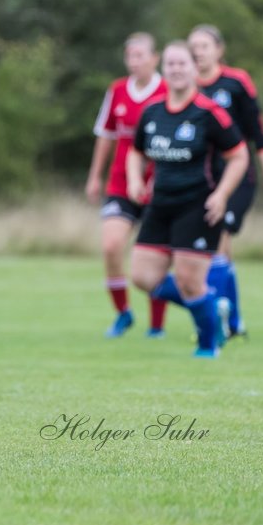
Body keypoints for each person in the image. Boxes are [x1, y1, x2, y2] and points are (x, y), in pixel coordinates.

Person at [128, 40, 249, 358]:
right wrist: (134, 178)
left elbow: (239, 156)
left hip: (198, 206)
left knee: (189, 282)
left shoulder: (210, 113)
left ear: (195, 69)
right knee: (142, 277)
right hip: (160, 204)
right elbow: (135, 151)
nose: (177, 69)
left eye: (183, 63)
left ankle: (209, 346)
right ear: (163, 69)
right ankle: (213, 307)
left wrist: (222, 195)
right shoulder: (152, 112)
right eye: (171, 64)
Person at [187, 25, 263, 338]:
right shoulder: (182, 86)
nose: (198, 52)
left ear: (219, 50)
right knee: (218, 252)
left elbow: (258, 132)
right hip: (200, 179)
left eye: (204, 46)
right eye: (193, 47)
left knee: (219, 240)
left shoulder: (236, 82)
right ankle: (234, 320)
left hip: (238, 176)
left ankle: (217, 322)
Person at [85, 32, 169, 339]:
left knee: (153, 258)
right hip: (121, 184)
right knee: (111, 246)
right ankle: (123, 313)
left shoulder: (167, 90)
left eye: (140, 55)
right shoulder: (117, 90)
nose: (134, 62)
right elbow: (105, 136)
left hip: (160, 188)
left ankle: (157, 325)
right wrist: (95, 176)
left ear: (154, 58)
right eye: (129, 56)